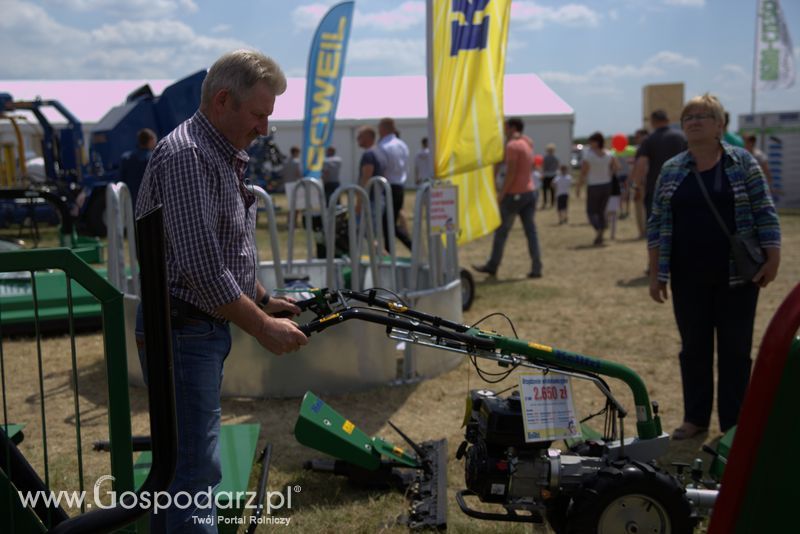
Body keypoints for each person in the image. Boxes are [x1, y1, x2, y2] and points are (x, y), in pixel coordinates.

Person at [134, 49, 308, 532]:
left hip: (191, 329)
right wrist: (263, 327)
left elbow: (223, 248)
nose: (264, 128)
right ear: (222, 102)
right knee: (194, 470)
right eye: (258, 115)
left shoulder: (217, 152)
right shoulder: (190, 155)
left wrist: (262, 298)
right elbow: (202, 269)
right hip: (183, 330)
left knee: (180, 468)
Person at [647, 93, 780, 440]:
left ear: (720, 124)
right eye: (688, 116)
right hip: (687, 276)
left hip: (737, 277)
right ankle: (695, 419)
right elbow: (657, 220)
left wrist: (773, 255)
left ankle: (734, 425)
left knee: (735, 352)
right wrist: (655, 271)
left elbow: (764, 209)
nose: (693, 121)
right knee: (693, 349)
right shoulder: (672, 168)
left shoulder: (742, 163)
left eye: (703, 115)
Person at [473, 117, 543, 278]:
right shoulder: (526, 143)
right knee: (531, 232)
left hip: (514, 194)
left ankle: (493, 265)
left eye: (505, 127)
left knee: (502, 232)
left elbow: (510, 173)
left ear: (511, 128)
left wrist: (501, 194)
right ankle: (537, 267)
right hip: (529, 191)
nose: (503, 130)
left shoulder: (512, 146)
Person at [630, 110, 687, 224]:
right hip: (681, 185)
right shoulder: (682, 137)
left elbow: (641, 164)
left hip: (656, 188)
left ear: (652, 122)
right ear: (667, 120)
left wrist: (636, 186)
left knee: (657, 225)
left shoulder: (649, 140)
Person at [377, 117, 413, 251]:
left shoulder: (383, 146)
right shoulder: (402, 145)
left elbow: (383, 168)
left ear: (383, 129)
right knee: (389, 222)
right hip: (399, 186)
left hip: (388, 186)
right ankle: (396, 249)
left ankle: (400, 248)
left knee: (387, 223)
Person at [579, 132, 618, 246]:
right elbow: (616, 166)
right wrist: (610, 173)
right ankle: (601, 230)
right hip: (606, 185)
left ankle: (599, 229)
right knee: (601, 210)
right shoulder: (609, 154)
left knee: (591, 211)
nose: (590, 144)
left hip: (594, 185)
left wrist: (578, 185)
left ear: (596, 142)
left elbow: (583, 172)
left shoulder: (589, 155)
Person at [119, 128, 157, 206]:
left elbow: (120, 181)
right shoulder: (153, 158)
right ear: (150, 140)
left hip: (130, 202)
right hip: (148, 204)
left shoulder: (126, 158)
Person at [540, 143, 559, 209]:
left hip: (546, 175)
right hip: (553, 175)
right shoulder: (556, 158)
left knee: (545, 190)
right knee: (552, 190)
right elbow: (557, 166)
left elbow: (543, 167)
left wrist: (542, 174)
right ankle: (552, 203)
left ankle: (545, 203)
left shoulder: (545, 158)